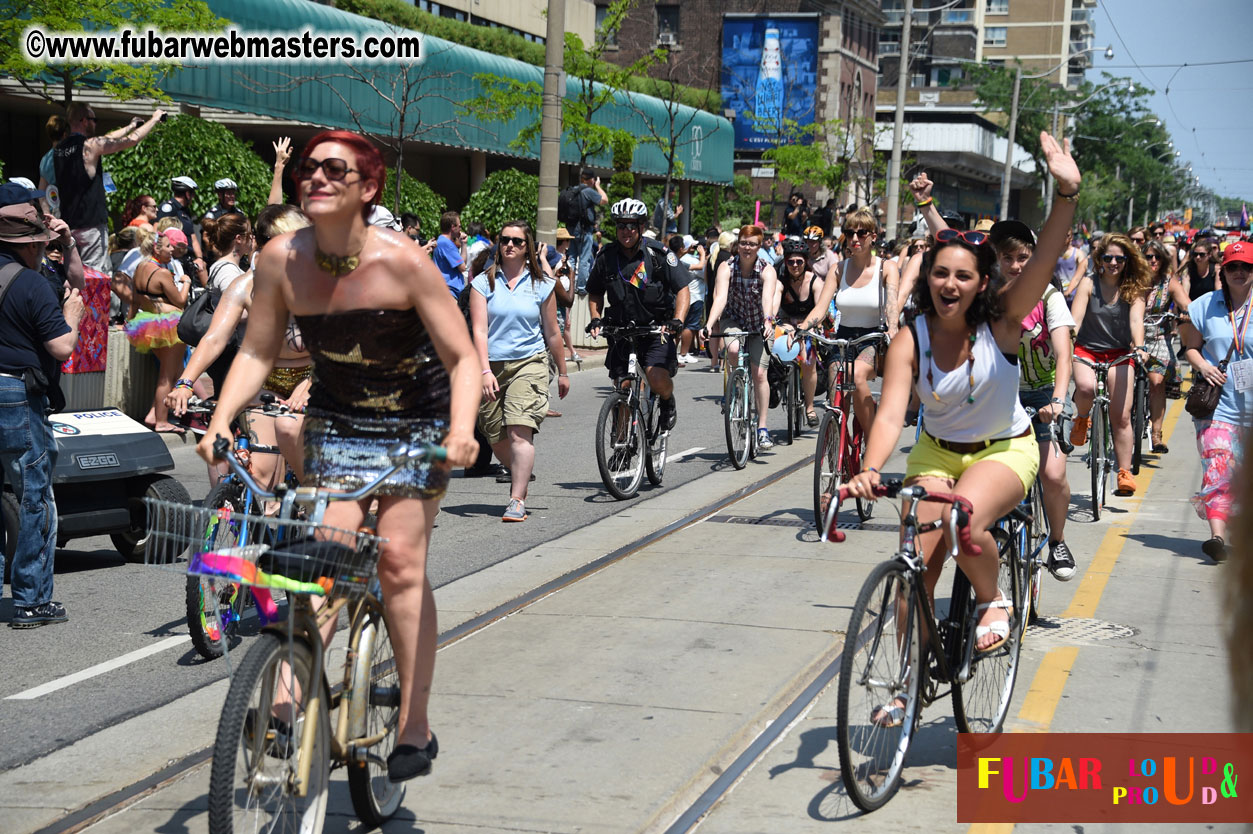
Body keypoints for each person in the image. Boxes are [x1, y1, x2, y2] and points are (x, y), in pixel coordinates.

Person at [198, 130, 479, 782]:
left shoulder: (403, 261)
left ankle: (413, 722)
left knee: (402, 561)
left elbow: (462, 356)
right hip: (338, 423)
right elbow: (258, 352)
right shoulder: (278, 259)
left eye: (334, 170)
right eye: (308, 168)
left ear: (367, 188)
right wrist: (217, 418)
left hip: (416, 424)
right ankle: (289, 694)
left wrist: (463, 429)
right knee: (323, 561)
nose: (315, 178)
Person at [846, 133, 1080, 683]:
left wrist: (1065, 195)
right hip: (936, 453)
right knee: (915, 570)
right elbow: (889, 414)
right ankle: (904, 685)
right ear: (929, 277)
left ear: (982, 284)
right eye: (940, 272)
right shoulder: (911, 337)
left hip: (1004, 450)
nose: (949, 283)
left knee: (961, 519)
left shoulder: (1002, 322)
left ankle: (992, 596)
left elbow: (1042, 262)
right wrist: (870, 469)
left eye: (964, 275)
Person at [168, 205, 313, 487]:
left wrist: (310, 384)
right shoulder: (243, 286)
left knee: (289, 432)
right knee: (259, 477)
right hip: (265, 381)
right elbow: (214, 338)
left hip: (312, 377)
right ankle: (265, 523)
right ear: (259, 245)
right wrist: (185, 383)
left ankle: (318, 509)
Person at [0, 203, 85, 628]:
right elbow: (62, 348)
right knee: (34, 494)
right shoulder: (31, 284)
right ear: (31, 245)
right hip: (15, 390)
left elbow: (76, 277)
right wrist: (71, 317)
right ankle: (32, 599)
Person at [991, 220, 1078, 581]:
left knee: (1052, 474)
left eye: (1023, 257)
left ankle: (1057, 540)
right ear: (995, 260)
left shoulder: (1050, 297)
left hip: (1044, 394)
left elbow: (1063, 354)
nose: (1016, 265)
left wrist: (1057, 400)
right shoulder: (989, 296)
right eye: (1007, 258)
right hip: (1001, 394)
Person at [470, 221, 569, 522]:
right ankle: (520, 471)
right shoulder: (482, 283)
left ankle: (517, 499)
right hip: (491, 365)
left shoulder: (541, 285)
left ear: (528, 248)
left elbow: (553, 333)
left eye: (517, 241)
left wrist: (563, 371)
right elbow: (479, 331)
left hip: (530, 362)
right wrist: (485, 371)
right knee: (495, 436)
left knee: (518, 430)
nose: (510, 245)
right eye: (504, 240)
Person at [1178, 241, 1253, 563]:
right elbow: (1190, 348)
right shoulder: (1206, 305)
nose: (1239, 272)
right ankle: (1217, 537)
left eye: (1246, 267)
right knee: (1218, 469)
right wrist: (1203, 366)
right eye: (1233, 266)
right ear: (1223, 270)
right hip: (1217, 407)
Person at [587, 198, 689, 432]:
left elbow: (682, 288)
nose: (626, 230)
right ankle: (623, 445)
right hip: (622, 331)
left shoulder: (658, 254)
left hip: (656, 330)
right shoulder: (606, 256)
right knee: (623, 386)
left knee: (655, 378)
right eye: (621, 225)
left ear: (641, 227)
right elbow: (594, 291)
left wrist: (678, 320)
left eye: (632, 225)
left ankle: (666, 400)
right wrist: (595, 318)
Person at [1069, 232, 1152, 497]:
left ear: (1127, 260)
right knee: (1084, 387)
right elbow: (1076, 319)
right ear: (1099, 259)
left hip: (1120, 353)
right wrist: (1067, 342)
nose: (1114, 263)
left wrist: (1139, 347)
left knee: (1122, 415)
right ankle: (1082, 419)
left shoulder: (1134, 288)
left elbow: (1136, 321)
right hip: (1087, 350)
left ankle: (1124, 472)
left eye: (1120, 258)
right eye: (1108, 258)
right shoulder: (1088, 284)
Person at [54, 105, 165, 271]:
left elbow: (106, 139)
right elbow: (131, 141)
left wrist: (129, 127)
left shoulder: (59, 149)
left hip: (69, 224)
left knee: (72, 272)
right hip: (91, 226)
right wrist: (154, 119)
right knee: (95, 276)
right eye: (94, 120)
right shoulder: (90, 145)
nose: (95, 124)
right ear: (84, 121)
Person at [701, 224, 780, 449]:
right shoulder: (726, 267)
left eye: (752, 244)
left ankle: (763, 428)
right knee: (733, 350)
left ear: (759, 246)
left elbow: (768, 298)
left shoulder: (767, 270)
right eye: (744, 243)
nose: (747, 248)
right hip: (733, 319)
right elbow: (720, 299)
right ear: (738, 245)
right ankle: (738, 387)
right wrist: (708, 324)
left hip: (759, 323)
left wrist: (768, 320)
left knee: (760, 373)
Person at [833, 207, 900, 437]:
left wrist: (893, 328)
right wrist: (801, 328)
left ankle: (873, 443)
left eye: (862, 233)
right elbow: (820, 309)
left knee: (856, 375)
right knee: (835, 388)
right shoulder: (838, 268)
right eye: (850, 233)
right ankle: (837, 442)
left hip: (872, 338)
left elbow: (892, 304)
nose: (854, 239)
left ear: (873, 236)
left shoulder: (886, 268)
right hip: (842, 338)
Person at [125, 229, 189, 434]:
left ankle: (153, 414)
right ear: (157, 248)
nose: (172, 250)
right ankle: (162, 421)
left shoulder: (140, 268)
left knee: (172, 370)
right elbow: (180, 300)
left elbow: (135, 300)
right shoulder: (162, 273)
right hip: (170, 325)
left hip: (148, 324)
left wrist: (130, 321)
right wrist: (186, 282)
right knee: (167, 376)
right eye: (168, 246)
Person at [774, 236, 832, 427]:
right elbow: (774, 302)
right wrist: (770, 320)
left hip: (810, 324)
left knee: (808, 360)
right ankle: (779, 380)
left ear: (806, 261)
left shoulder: (815, 281)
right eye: (790, 261)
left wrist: (807, 326)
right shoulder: (781, 281)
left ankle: (809, 407)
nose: (795, 265)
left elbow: (821, 309)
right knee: (779, 344)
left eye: (799, 261)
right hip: (788, 322)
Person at [1141, 238, 1180, 452]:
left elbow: (1186, 302)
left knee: (1156, 382)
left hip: (1159, 338)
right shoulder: (1132, 280)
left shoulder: (1169, 282)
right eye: (1148, 256)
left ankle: (1156, 434)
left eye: (1157, 256)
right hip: (1132, 338)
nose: (1153, 260)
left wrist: (1186, 314)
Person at [157, 176, 209, 286]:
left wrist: (199, 258)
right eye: (192, 193)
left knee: (202, 267)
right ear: (187, 193)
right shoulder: (168, 208)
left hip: (188, 256)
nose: (193, 196)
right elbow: (158, 232)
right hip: (174, 256)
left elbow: (193, 238)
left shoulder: (186, 211)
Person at [570, 169, 607, 295]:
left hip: (571, 230)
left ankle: (568, 285)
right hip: (584, 230)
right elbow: (604, 200)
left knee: (572, 258)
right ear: (591, 179)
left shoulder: (573, 190)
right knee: (584, 260)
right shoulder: (588, 191)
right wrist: (598, 186)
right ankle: (581, 288)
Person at [673, 234, 707, 365]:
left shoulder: (678, 259)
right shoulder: (683, 260)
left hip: (686, 296)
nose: (693, 248)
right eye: (691, 246)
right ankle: (682, 354)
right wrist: (703, 254)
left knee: (680, 327)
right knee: (688, 326)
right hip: (691, 297)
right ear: (682, 248)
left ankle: (676, 355)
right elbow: (701, 269)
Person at [432, 210, 467, 299]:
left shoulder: (442, 241)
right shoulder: (447, 244)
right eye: (459, 226)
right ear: (453, 227)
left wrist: (463, 243)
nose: (460, 229)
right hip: (449, 293)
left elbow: (462, 263)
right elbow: (462, 267)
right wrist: (464, 245)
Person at [36, 115, 69, 194]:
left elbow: (41, 190)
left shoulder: (45, 159)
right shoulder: (71, 155)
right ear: (65, 135)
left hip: (52, 203)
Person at [1054, 228, 1087, 303]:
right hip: (1056, 293)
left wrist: (1069, 291)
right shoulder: (1053, 253)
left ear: (1071, 237)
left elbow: (1080, 275)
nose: (1064, 237)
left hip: (1072, 295)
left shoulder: (1078, 253)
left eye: (1067, 235)